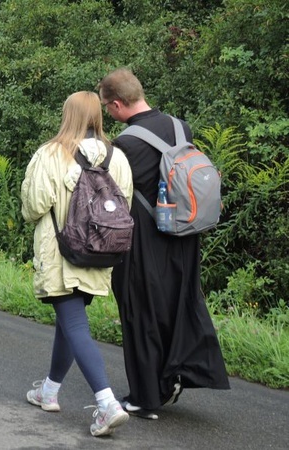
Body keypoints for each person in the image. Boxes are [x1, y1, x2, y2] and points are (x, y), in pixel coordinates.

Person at [98, 68, 230, 419]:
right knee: (176, 304)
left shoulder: (126, 143)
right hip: (184, 235)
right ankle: (170, 377)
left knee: (140, 311)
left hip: (147, 239)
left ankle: (144, 396)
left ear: (116, 104)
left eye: (107, 109)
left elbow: (117, 194)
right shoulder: (179, 126)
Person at [20, 91, 133, 436]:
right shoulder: (118, 157)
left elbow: (35, 206)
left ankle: (106, 404)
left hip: (61, 252)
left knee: (75, 326)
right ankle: (49, 391)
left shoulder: (51, 153)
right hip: (100, 252)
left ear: (67, 115)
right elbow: (123, 202)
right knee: (69, 321)